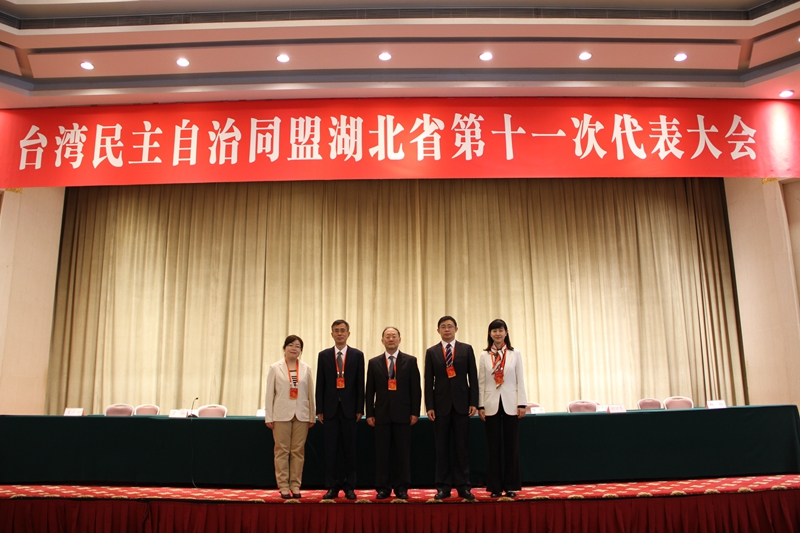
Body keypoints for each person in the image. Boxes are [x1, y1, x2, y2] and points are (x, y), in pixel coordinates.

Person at [424, 315, 478, 500]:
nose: (447, 329)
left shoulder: (466, 349)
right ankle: (443, 487)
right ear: (438, 330)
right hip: (440, 406)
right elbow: (428, 381)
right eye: (443, 327)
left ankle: (464, 486)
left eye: (450, 326)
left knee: (462, 448)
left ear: (456, 329)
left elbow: (473, 378)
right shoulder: (432, 352)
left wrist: (473, 402)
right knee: (442, 448)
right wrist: (429, 405)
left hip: (462, 405)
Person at [365, 326, 421, 500]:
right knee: (382, 454)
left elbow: (415, 389)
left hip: (403, 413)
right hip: (381, 414)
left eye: (394, 336)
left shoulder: (410, 361)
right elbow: (370, 390)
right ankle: (383, 488)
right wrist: (370, 413)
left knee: (402, 453)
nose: (391, 339)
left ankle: (402, 487)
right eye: (387, 336)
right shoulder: (373, 363)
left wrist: (415, 412)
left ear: (399, 339)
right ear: (382, 340)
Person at [315, 319, 365, 500]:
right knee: (330, 450)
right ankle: (332, 486)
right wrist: (319, 409)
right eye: (336, 331)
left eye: (343, 330)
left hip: (350, 410)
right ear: (332, 334)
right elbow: (320, 383)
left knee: (349, 450)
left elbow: (360, 384)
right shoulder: (324, 355)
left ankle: (350, 486)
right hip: (329, 410)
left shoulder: (357, 355)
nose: (339, 333)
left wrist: (359, 408)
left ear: (348, 334)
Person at [477, 319, 527, 498]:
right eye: (494, 331)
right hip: (491, 404)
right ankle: (495, 487)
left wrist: (522, 403)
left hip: (511, 404)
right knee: (493, 447)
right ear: (490, 334)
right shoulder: (484, 355)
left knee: (511, 447)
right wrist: (480, 405)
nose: (497, 334)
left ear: (506, 332)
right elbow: (481, 382)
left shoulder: (515, 354)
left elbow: (520, 379)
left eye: (500, 330)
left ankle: (511, 486)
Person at [264, 335, 316, 499]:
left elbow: (310, 393)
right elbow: (269, 394)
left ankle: (295, 485)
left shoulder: (306, 368)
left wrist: (312, 415)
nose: (294, 348)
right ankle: (283, 485)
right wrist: (269, 416)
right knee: (282, 450)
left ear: (301, 350)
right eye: (291, 345)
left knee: (298, 451)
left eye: (298, 346)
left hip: (301, 414)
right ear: (284, 348)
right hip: (281, 414)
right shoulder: (275, 368)